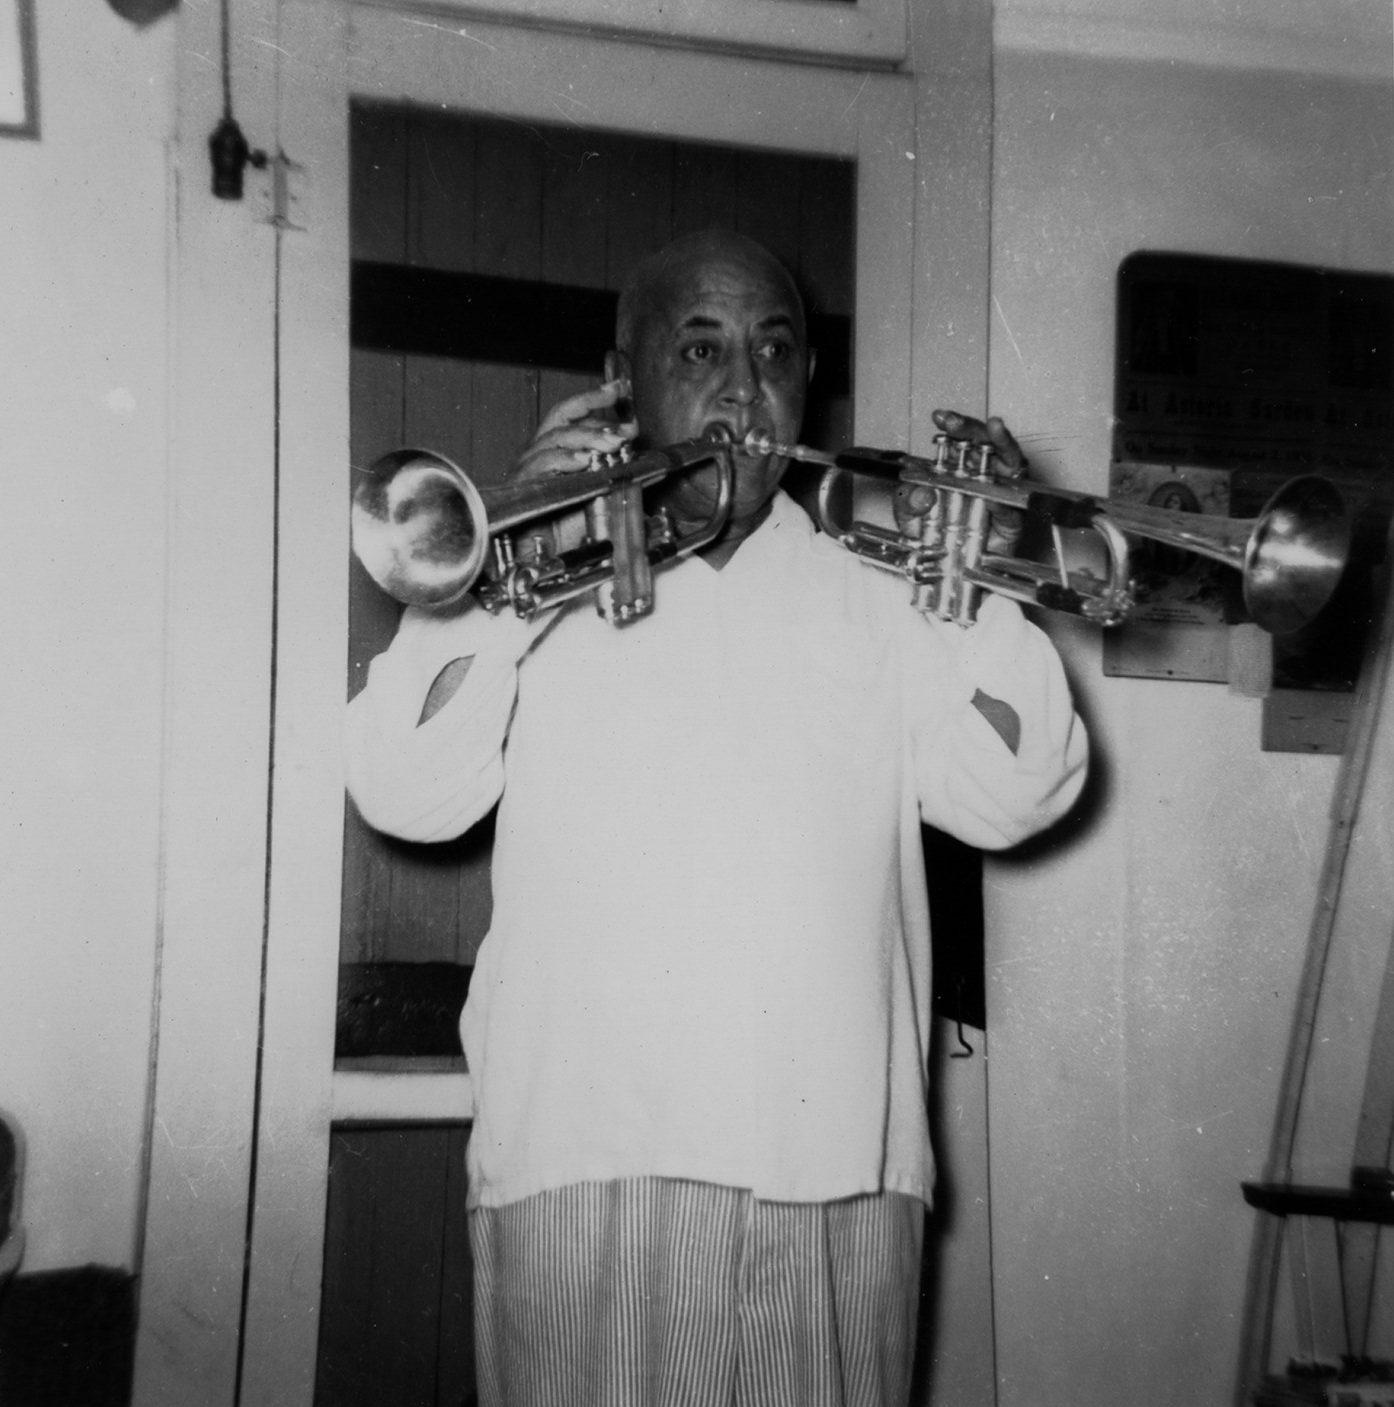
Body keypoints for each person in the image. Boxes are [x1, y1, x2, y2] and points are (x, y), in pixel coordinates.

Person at [345, 229, 1087, 1407]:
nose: (742, 389)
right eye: (699, 347)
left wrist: (977, 580)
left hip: (842, 1170)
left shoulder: (881, 588)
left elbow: (1023, 788)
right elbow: (402, 788)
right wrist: (507, 564)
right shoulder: (529, 580)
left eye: (773, 351)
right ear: (621, 378)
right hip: (587, 1166)